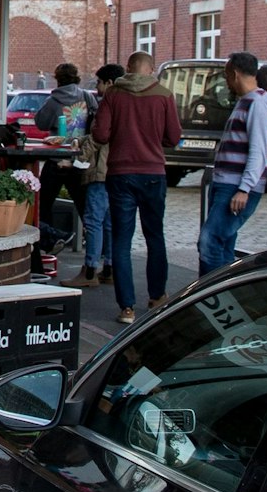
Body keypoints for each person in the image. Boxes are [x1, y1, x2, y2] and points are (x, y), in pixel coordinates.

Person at [90, 50, 182, 323]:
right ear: (151, 69)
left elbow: (101, 134)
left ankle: (126, 308)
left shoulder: (114, 95)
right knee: (155, 236)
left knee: (121, 240)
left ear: (128, 69)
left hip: (120, 174)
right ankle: (157, 297)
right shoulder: (164, 95)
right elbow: (174, 137)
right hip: (153, 173)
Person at [199, 51, 267, 276]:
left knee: (209, 241)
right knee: (222, 243)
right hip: (228, 185)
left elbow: (258, 151)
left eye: (226, 76)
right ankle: (222, 292)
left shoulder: (258, 104)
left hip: (235, 187)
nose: (226, 82)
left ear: (234, 74)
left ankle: (208, 296)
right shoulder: (248, 102)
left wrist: (244, 188)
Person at [63, 64, 123, 289]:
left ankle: (89, 271)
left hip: (100, 171)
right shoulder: (125, 104)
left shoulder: (108, 105)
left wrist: (75, 159)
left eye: (99, 82)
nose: (96, 87)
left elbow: (100, 138)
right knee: (108, 222)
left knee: (93, 221)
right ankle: (108, 268)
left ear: (109, 83)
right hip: (116, 171)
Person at [32, 63, 98, 267]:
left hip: (56, 158)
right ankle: (96, 248)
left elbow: (40, 123)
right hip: (78, 157)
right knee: (85, 205)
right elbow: (97, 119)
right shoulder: (87, 96)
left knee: (43, 204)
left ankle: (50, 240)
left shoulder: (53, 101)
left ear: (57, 79)